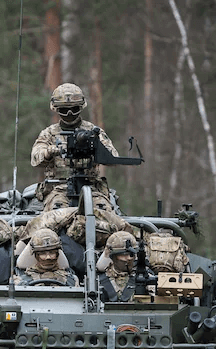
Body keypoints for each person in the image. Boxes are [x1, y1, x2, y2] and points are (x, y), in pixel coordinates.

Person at [30, 83, 119, 211]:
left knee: (103, 213)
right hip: (58, 188)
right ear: (56, 109)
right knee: (57, 213)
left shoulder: (93, 132)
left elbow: (113, 157)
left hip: (91, 188)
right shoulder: (49, 133)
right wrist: (49, 152)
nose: (69, 114)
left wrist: (96, 150)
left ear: (81, 107)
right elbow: (35, 157)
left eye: (74, 109)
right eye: (64, 110)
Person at [97, 231, 139, 302]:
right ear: (113, 256)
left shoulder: (142, 278)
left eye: (131, 254)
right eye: (124, 254)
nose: (128, 258)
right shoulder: (99, 281)